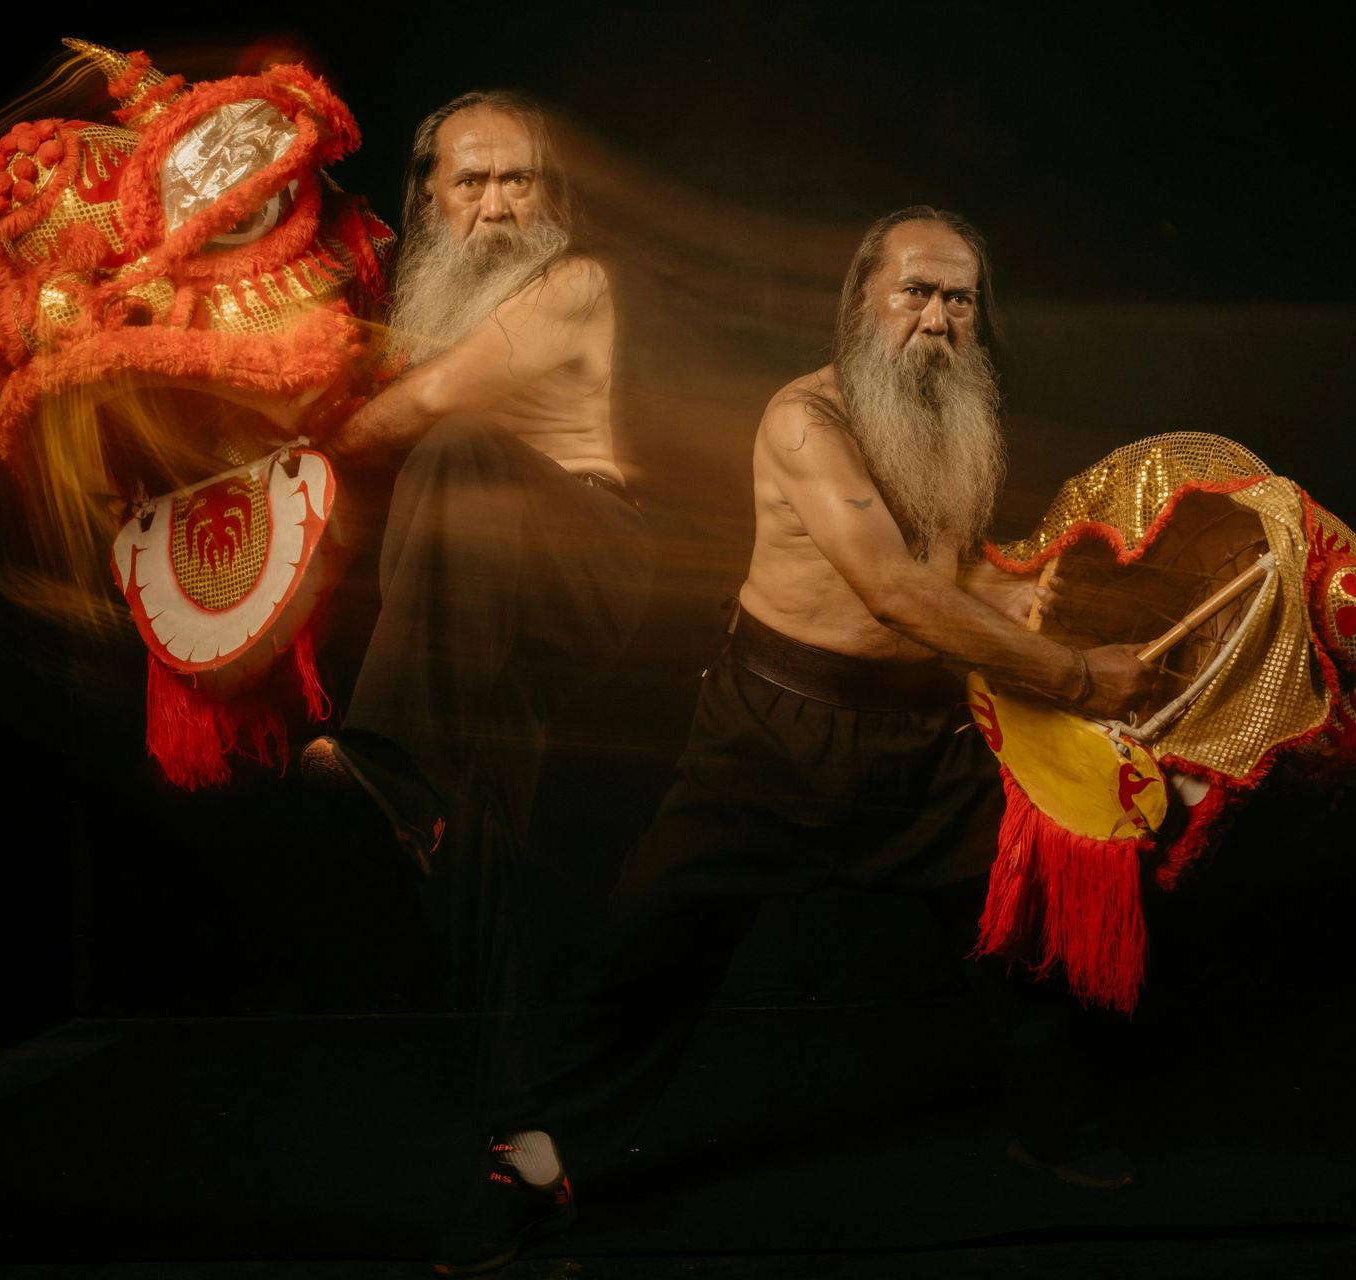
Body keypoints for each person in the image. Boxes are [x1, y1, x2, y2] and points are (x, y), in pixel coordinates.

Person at [430, 206, 1161, 1276]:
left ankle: (1056, 1127)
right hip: (771, 734)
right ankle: (527, 1170)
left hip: (925, 737)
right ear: (863, 298)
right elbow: (886, 585)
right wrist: (1075, 672)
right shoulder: (805, 418)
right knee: (644, 950)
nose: (940, 317)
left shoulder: (954, 418)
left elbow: (946, 576)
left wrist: (1018, 590)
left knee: (1020, 933)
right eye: (916, 290)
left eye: (959, 297)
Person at [304, 91, 650, 1014]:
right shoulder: (420, 310)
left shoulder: (574, 282)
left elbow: (432, 404)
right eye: (472, 182)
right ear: (431, 201)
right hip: (481, 597)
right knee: (479, 830)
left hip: (585, 557)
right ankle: (512, 1107)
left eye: (517, 180)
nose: (496, 205)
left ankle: (386, 756)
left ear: (551, 196)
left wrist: (301, 463)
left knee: (455, 440)